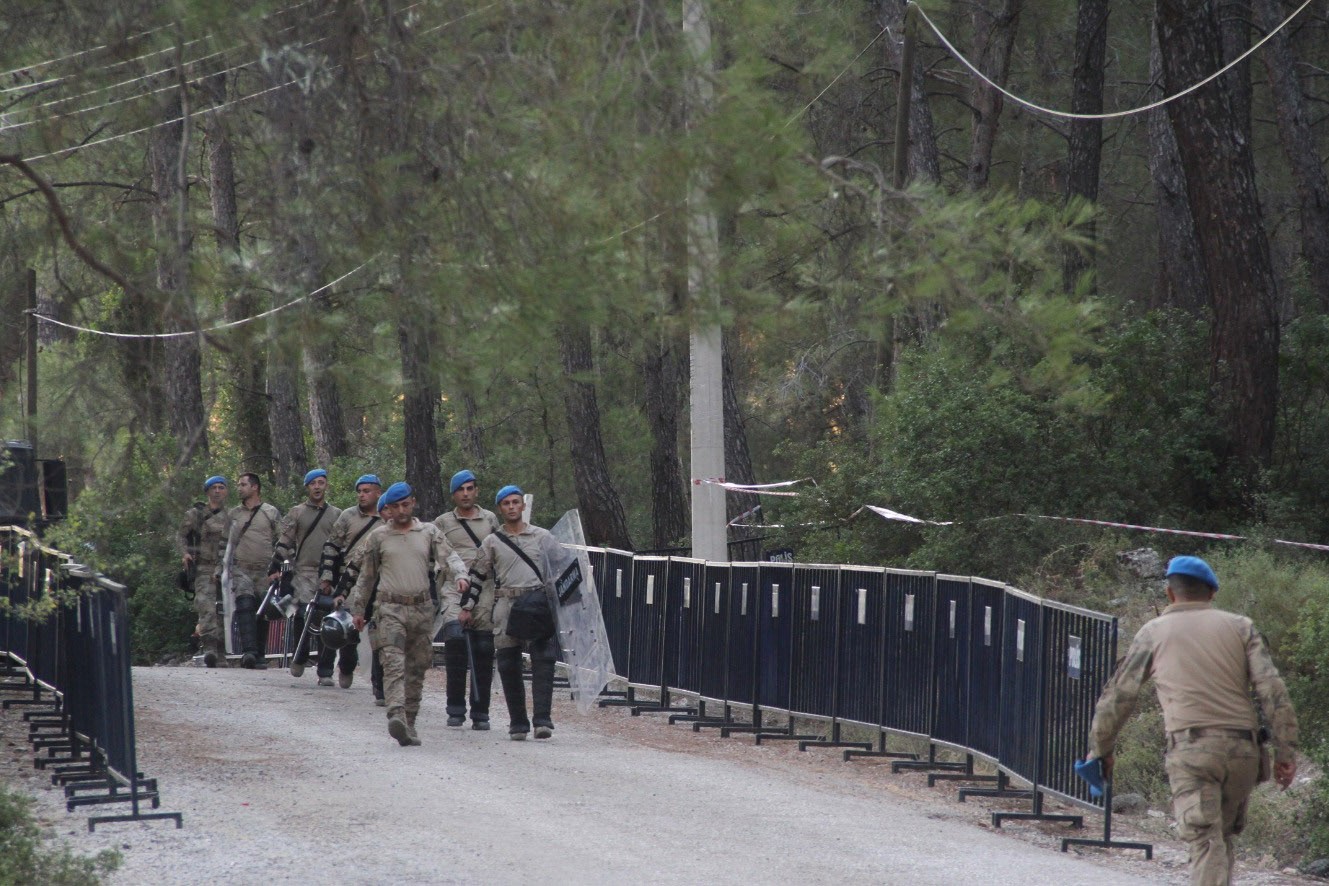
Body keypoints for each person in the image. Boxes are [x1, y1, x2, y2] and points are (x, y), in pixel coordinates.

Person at [1087, 556, 1298, 886]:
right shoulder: (1242, 627)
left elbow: (1118, 697)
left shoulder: (1153, 632)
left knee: (1204, 840)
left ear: (1170, 594)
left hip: (1193, 750)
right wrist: (1285, 754)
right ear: (1212, 593)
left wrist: (1101, 750)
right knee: (1222, 837)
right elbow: (1273, 691)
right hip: (1245, 751)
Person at [347, 482, 468, 747]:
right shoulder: (378, 537)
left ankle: (409, 722)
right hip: (389, 608)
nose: (401, 511)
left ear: (413, 503)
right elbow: (366, 577)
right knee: (392, 663)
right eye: (395, 507)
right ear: (387, 509)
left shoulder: (428, 532)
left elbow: (450, 557)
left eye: (405, 505)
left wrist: (460, 575)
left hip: (421, 608)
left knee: (416, 667)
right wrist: (358, 609)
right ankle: (396, 713)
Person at [468, 485, 559, 741]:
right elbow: (478, 575)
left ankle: (542, 720)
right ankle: (518, 722)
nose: (511, 507)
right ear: (500, 508)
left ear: (523, 506)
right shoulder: (492, 541)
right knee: (508, 663)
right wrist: (467, 607)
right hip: (506, 604)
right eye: (506, 503)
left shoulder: (542, 537)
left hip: (536, 603)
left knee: (543, 660)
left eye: (515, 502)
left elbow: (562, 569)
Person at [433, 469, 501, 730]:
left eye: (470, 488)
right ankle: (455, 708)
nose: (465, 493)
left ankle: (481, 712)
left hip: (484, 588)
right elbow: (435, 553)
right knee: (456, 643)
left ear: (476, 491)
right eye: (460, 489)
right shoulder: (442, 523)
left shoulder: (490, 519)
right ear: (453, 494)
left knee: (484, 650)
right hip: (453, 587)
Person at [270, 468, 341, 683]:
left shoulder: (337, 514)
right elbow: (285, 541)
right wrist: (274, 567)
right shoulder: (296, 513)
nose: (317, 487)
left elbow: (341, 545)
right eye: (313, 483)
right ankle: (299, 655)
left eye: (321, 482)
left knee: (327, 619)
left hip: (328, 574)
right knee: (302, 614)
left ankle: (325, 670)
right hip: (303, 572)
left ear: (326, 485)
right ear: (307, 487)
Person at [318, 474, 382, 693]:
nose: (361, 495)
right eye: (359, 491)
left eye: (366, 491)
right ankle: (345, 666)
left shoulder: (388, 517)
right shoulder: (347, 516)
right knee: (350, 629)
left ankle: (380, 683)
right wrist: (327, 577)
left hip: (381, 581)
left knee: (381, 632)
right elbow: (331, 547)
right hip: (352, 579)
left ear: (378, 493)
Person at [221, 472, 282, 669]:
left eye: (243, 484)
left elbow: (283, 541)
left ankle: (261, 654)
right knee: (244, 605)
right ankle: (249, 652)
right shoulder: (233, 514)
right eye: (238, 485)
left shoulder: (270, 512)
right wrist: (220, 569)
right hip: (242, 569)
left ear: (255, 487)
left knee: (263, 609)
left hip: (265, 571)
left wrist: (279, 567)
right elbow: (224, 543)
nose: (239, 488)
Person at [177, 475, 231, 667]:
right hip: (203, 567)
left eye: (221, 487)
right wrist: (185, 554)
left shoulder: (231, 516)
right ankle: (210, 648)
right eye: (214, 488)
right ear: (207, 492)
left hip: (225, 568)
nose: (217, 491)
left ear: (226, 491)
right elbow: (181, 536)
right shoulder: (194, 514)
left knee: (225, 610)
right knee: (206, 608)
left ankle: (223, 652)